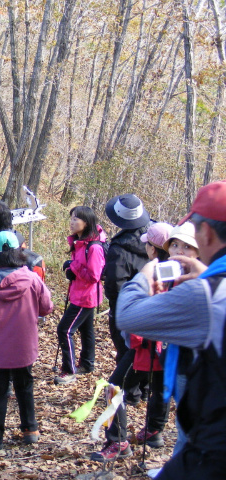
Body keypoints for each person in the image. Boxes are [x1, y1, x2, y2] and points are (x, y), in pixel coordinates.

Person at [115, 181, 226, 479]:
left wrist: (148, 272)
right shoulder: (214, 285)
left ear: (207, 233)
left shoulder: (205, 293)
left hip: (215, 444)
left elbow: (127, 315)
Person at [90, 222, 173, 462]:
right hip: (166, 346)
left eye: (147, 243)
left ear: (154, 248)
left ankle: (118, 442)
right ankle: (155, 431)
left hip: (144, 346)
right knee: (160, 388)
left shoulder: (153, 271)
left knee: (113, 389)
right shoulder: (176, 270)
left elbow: (144, 308)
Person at [0, 232, 53, 449]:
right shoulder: (32, 278)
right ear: (19, 251)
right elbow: (47, 307)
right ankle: (30, 429)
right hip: (25, 347)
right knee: (25, 386)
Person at [160, 222, 200, 458]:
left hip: (195, 367)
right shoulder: (172, 279)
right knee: (183, 424)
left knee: (188, 428)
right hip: (178, 360)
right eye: (174, 245)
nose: (179, 251)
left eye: (187, 246)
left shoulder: (202, 283)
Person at [55, 206, 106, 385]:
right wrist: (73, 266)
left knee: (64, 330)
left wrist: (73, 267)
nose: (72, 222)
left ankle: (69, 371)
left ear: (87, 223)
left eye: (76, 219)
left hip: (85, 297)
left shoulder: (94, 248)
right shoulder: (81, 243)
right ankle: (86, 364)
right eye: (72, 218)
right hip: (82, 293)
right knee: (86, 330)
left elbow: (94, 276)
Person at [104, 194, 151, 363]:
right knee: (147, 355)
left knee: (126, 354)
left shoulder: (119, 249)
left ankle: (127, 388)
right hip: (151, 306)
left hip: (125, 309)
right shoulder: (154, 237)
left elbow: (114, 286)